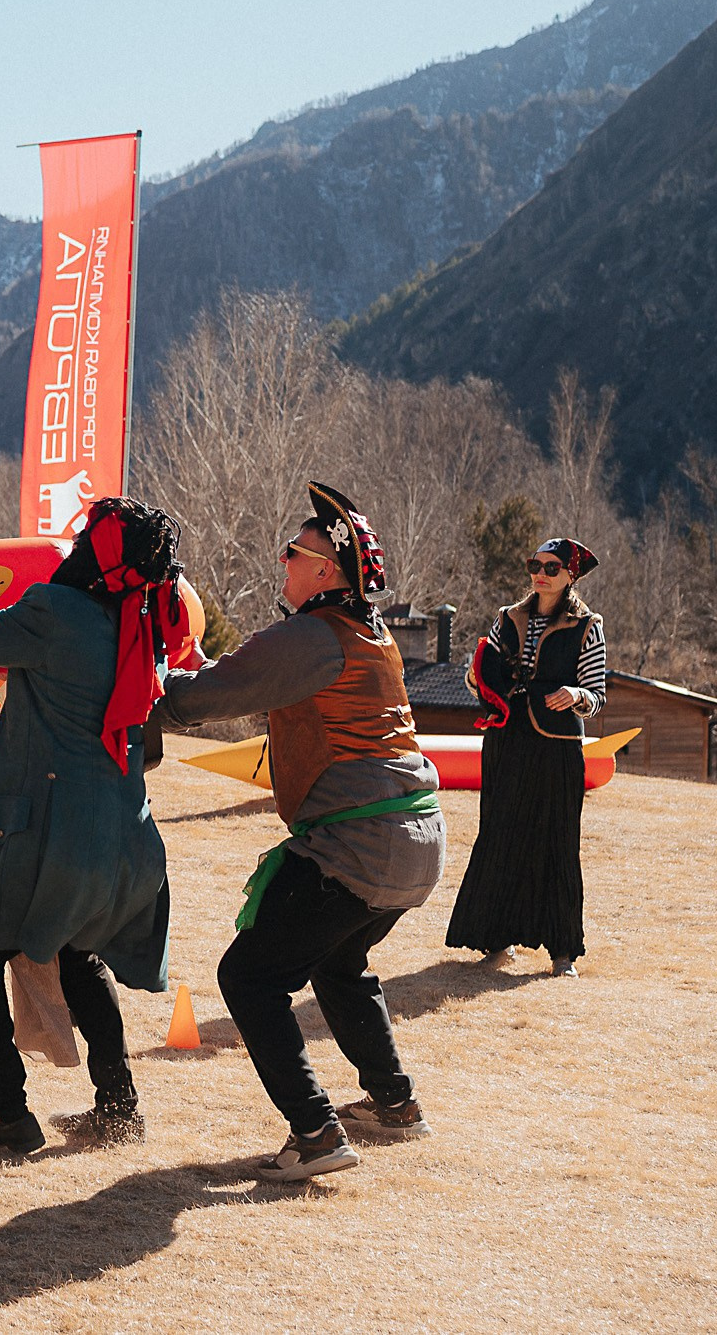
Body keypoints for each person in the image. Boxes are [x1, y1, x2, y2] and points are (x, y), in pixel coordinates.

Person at [157, 482, 446, 1182]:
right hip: (418, 840)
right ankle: (393, 1101)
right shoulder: (371, 634)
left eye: (294, 552)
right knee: (337, 962)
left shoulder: (310, 636)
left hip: (358, 842)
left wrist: (137, 674)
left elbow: (201, 697)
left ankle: (316, 1131)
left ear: (327, 570)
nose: (281, 562)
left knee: (248, 976)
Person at [0, 496, 187, 1155]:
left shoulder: (58, 612)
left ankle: (9, 1114)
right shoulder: (141, 619)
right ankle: (119, 1107)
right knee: (76, 951)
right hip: (120, 836)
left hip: (41, 832)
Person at [445, 537, 609, 977]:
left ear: (570, 575)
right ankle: (496, 941)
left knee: (557, 841)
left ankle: (562, 953)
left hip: (557, 747)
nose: (540, 573)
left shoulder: (587, 626)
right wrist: (478, 679)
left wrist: (575, 694)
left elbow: (596, 696)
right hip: (507, 740)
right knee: (500, 834)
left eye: (552, 567)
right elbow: (481, 676)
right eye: (535, 564)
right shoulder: (508, 619)